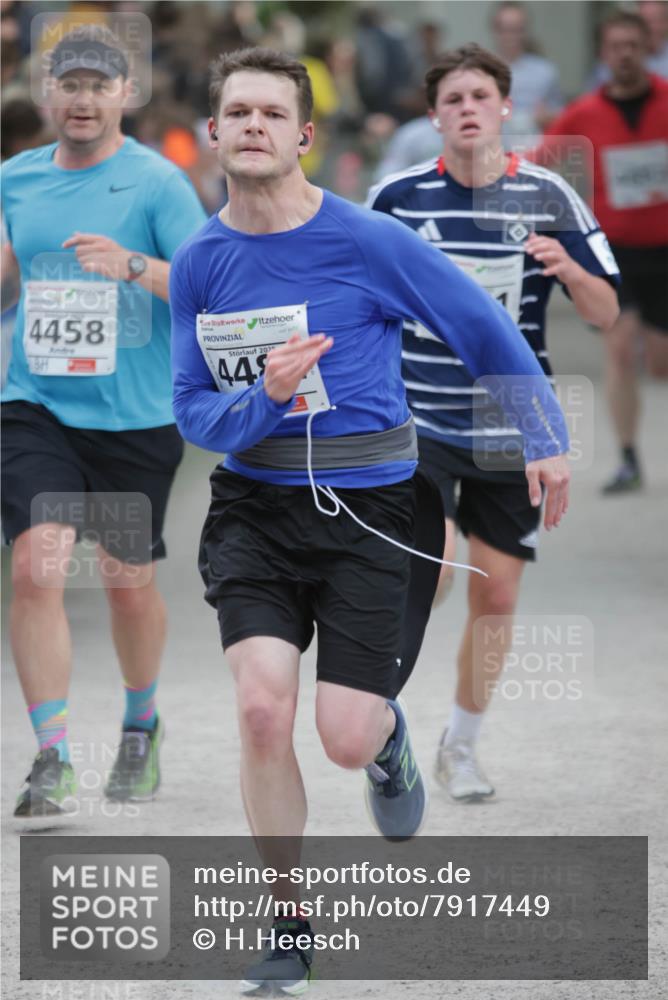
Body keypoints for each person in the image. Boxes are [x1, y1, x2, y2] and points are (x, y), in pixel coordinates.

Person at [170, 46, 571, 993]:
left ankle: (386, 743)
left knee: (342, 734)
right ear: (217, 132)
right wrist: (266, 399)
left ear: (305, 135)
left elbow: (481, 328)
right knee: (263, 706)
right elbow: (192, 410)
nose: (255, 126)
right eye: (239, 112)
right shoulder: (200, 262)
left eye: (274, 113)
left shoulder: (365, 240)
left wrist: (544, 436)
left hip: (376, 513)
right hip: (255, 511)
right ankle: (290, 925)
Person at [367, 43, 619, 803]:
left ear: (505, 108)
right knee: (433, 564)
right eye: (453, 99)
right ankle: (379, 723)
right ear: (435, 115)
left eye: (481, 95)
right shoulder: (399, 199)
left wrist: (569, 269)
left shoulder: (548, 195)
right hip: (421, 419)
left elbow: (606, 315)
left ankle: (462, 747)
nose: (468, 109)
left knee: (498, 597)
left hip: (513, 426)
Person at [1, 25, 206, 819]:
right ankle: (51, 756)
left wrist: (128, 264)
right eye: (69, 85)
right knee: (37, 563)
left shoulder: (156, 183)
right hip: (35, 406)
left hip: (134, 416)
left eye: (98, 86)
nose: (82, 100)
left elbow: (203, 288)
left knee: (127, 585)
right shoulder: (15, 180)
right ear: (47, 95)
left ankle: (140, 722)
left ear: (125, 95)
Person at [538, 10, 668, 494]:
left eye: (633, 45)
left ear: (647, 48)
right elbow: (539, 166)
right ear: (603, 54)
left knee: (659, 362)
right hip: (615, 253)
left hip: (665, 249)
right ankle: (629, 457)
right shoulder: (583, 113)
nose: (625, 54)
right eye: (616, 46)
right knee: (618, 348)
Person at [491, 0, 563, 148]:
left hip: (534, 152)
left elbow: (562, 115)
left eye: (517, 29)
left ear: (525, 31)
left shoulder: (545, 71)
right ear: (495, 30)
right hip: (493, 153)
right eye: (506, 29)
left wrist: (548, 116)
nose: (511, 36)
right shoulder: (483, 70)